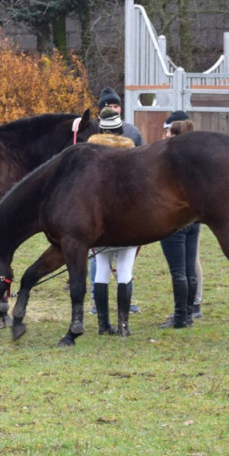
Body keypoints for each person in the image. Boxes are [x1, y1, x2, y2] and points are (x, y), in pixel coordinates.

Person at [89, 87, 145, 316]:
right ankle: (122, 320)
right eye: (108, 105)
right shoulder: (129, 147)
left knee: (101, 265)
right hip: (126, 216)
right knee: (124, 268)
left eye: (114, 105)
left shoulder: (90, 146)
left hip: (99, 215)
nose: (112, 108)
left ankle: (103, 321)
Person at [159, 111, 203, 328]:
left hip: (174, 221)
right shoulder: (197, 160)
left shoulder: (169, 160)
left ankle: (180, 317)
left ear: (175, 135)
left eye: (168, 132)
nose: (165, 135)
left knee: (178, 271)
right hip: (193, 221)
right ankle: (189, 312)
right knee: (189, 269)